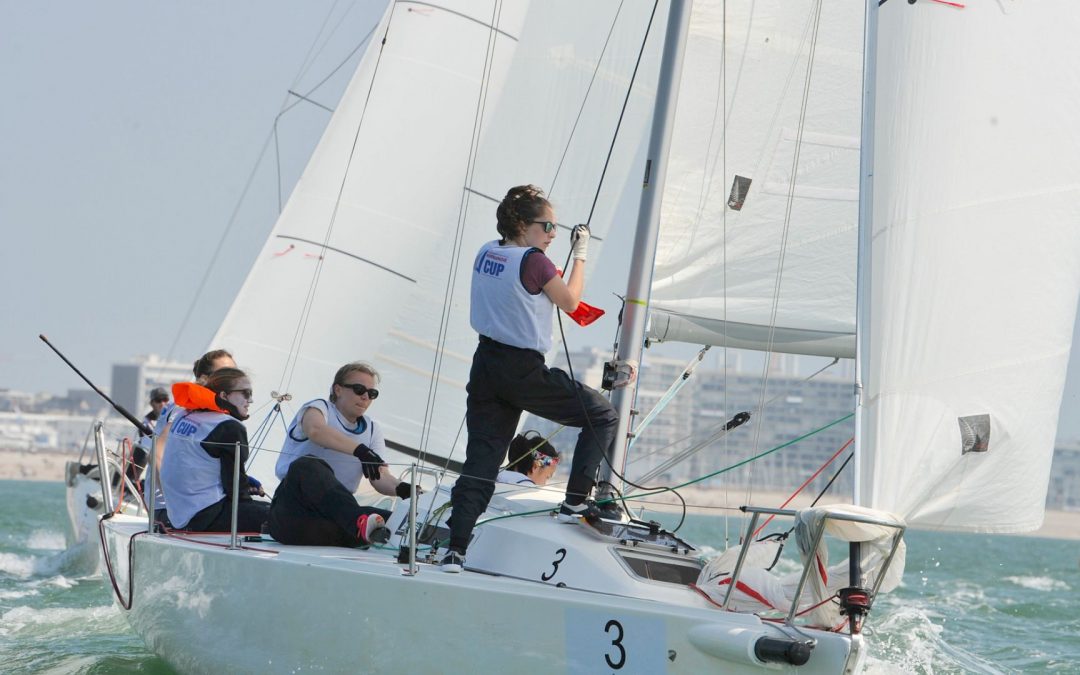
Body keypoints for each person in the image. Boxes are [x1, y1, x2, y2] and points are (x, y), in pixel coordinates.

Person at [443, 185, 620, 573]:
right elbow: (571, 301)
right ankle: (576, 501)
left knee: (481, 462)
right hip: (521, 368)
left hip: (486, 363)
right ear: (523, 224)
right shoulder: (535, 261)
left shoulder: (488, 251)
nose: (553, 233)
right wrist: (581, 254)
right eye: (548, 225)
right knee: (602, 415)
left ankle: (454, 550)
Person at [268, 362, 416, 548]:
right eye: (359, 389)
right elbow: (315, 430)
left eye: (372, 394)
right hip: (293, 510)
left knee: (399, 522)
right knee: (307, 465)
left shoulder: (372, 429)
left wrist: (404, 489)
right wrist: (360, 451)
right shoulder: (318, 408)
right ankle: (357, 523)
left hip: (335, 518)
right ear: (338, 389)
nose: (365, 397)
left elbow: (379, 477)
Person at [160, 367, 269, 532]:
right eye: (246, 393)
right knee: (279, 514)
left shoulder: (185, 415)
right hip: (207, 515)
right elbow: (236, 490)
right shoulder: (228, 426)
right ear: (224, 396)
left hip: (179, 516)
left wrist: (246, 483)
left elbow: (197, 464)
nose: (250, 400)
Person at [150, 349, 237, 527]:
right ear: (204, 379)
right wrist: (176, 504)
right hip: (172, 511)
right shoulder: (185, 407)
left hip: (190, 508)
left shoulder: (206, 407)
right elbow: (158, 452)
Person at [128, 387, 169, 485]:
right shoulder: (146, 423)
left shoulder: (175, 416)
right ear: (152, 403)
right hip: (153, 458)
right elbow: (149, 447)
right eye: (158, 400)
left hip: (168, 459)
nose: (162, 403)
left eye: (165, 399)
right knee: (142, 450)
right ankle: (131, 483)